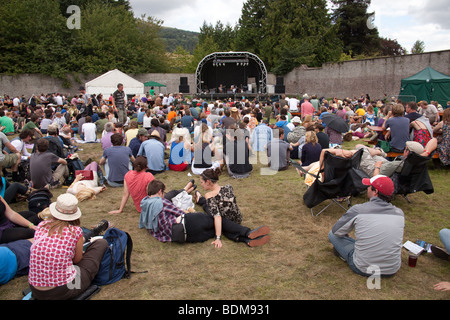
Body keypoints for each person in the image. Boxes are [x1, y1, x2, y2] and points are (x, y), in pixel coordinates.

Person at [141, 179, 270, 248]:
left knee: (217, 229)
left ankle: (245, 240)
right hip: (188, 223)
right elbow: (179, 212)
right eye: (163, 193)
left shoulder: (145, 206)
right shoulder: (160, 202)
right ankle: (247, 232)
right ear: (159, 192)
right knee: (217, 219)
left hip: (184, 238)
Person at [28, 194, 108, 300]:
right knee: (101, 244)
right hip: (63, 290)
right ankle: (94, 234)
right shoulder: (75, 231)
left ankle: (91, 234)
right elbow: (77, 260)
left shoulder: (41, 226)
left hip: (36, 290)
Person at [328, 175, 405, 277]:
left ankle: (347, 254)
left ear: (375, 191)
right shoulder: (399, 213)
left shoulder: (359, 210)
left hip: (363, 268)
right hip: (391, 269)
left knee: (332, 235)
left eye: (369, 186)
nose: (367, 188)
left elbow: (336, 231)